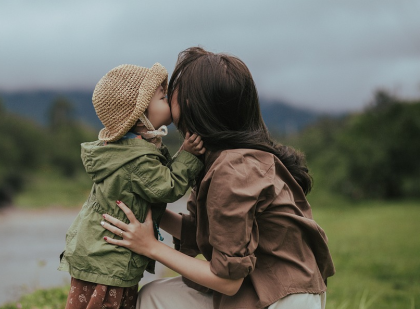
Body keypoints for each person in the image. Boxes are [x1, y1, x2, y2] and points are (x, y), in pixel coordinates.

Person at [100, 47, 336, 309]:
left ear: (191, 103)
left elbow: (227, 281)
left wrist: (151, 246)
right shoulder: (221, 157)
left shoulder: (233, 169)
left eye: (171, 94)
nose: (167, 99)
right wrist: (144, 203)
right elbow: (208, 232)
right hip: (263, 286)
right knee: (153, 296)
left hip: (282, 298)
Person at [58, 62, 206, 309]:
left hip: (102, 256)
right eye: (162, 97)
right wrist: (188, 155)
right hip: (108, 262)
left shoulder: (129, 149)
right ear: (140, 118)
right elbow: (167, 186)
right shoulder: (137, 159)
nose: (169, 101)